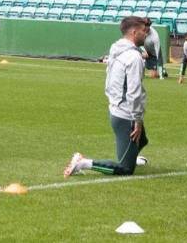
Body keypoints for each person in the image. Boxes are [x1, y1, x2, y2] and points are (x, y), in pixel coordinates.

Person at [64, 16, 150, 177]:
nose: (146, 35)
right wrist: (137, 119)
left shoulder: (117, 48)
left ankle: (131, 156)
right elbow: (134, 92)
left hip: (116, 107)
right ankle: (83, 163)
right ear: (134, 32)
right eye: (144, 31)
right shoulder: (134, 57)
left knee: (143, 140)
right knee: (125, 169)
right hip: (126, 114)